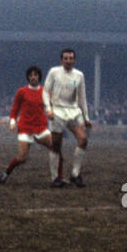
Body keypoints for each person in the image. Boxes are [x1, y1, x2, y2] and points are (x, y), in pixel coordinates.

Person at [0, 66, 57, 183]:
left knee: (56, 148)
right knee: (22, 158)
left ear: (39, 77)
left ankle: (56, 178)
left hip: (40, 128)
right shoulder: (22, 92)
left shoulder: (45, 92)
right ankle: (6, 172)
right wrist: (12, 121)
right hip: (25, 128)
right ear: (28, 78)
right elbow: (15, 108)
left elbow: (53, 106)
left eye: (35, 75)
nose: (33, 77)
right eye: (30, 75)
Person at [44, 48, 92, 187]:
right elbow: (46, 91)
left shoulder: (79, 75)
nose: (68, 61)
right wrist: (48, 109)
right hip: (57, 111)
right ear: (61, 60)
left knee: (83, 140)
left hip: (73, 111)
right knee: (56, 145)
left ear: (74, 60)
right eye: (66, 58)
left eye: (71, 58)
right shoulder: (54, 72)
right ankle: (55, 178)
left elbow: (82, 97)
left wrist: (86, 117)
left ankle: (75, 174)